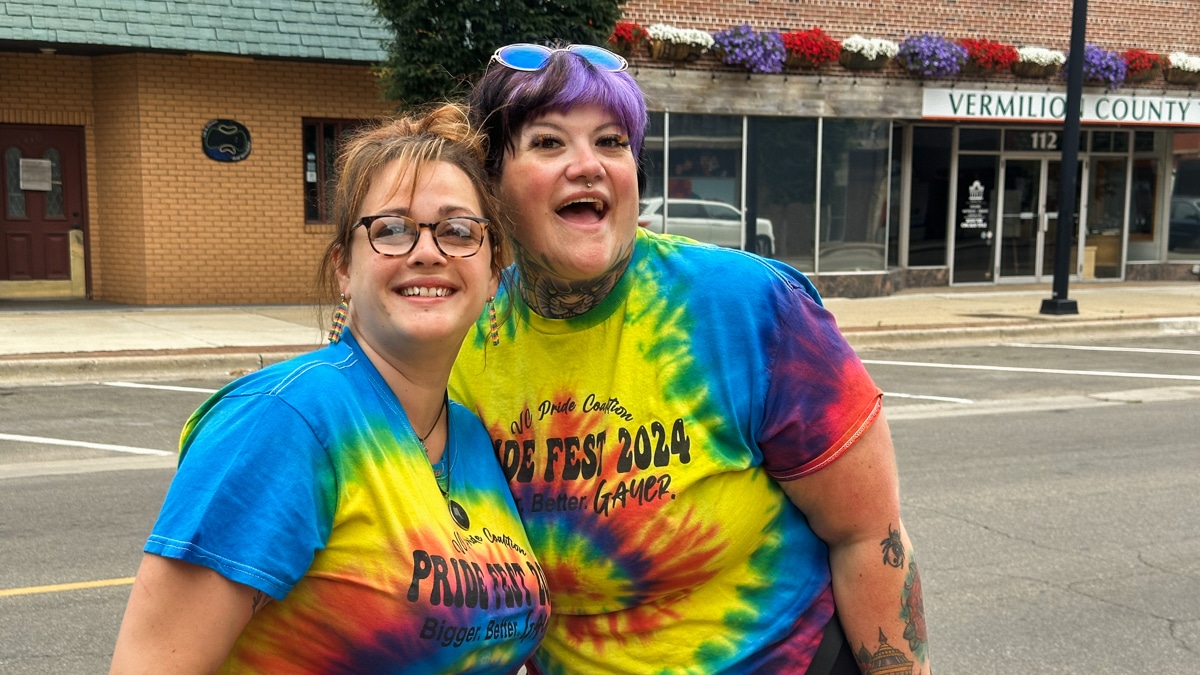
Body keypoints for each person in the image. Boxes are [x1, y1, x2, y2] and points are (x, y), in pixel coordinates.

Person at [449, 43, 930, 674]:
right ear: (491, 185)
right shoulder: (461, 339)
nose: (588, 165)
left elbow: (867, 534)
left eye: (612, 141)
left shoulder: (747, 308)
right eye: (548, 142)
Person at [110, 104, 549, 674]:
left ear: (493, 272)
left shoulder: (469, 434)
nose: (427, 251)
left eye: (459, 231)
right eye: (391, 229)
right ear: (344, 267)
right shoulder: (283, 420)